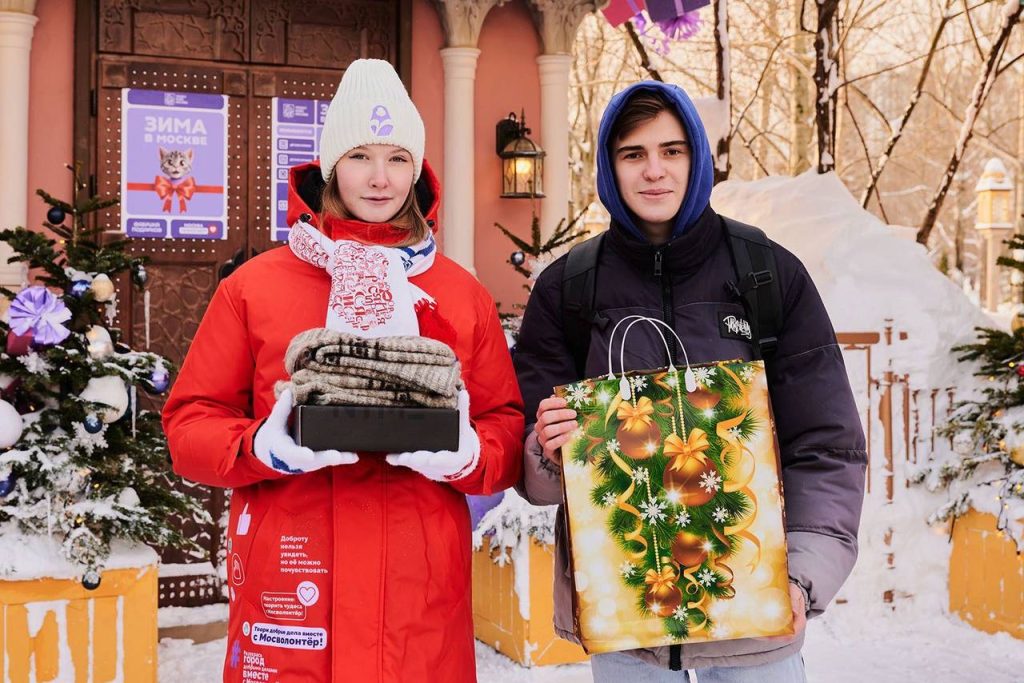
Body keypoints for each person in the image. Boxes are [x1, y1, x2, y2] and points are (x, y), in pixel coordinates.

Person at [163, 59, 524, 682]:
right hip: (291, 596)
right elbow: (189, 426)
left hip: (419, 602)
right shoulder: (254, 288)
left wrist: (466, 454)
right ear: (331, 165)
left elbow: (504, 429)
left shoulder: (460, 295)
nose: (380, 178)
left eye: (397, 158)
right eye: (360, 155)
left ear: (418, 168)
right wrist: (260, 446)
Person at [514, 81, 867, 681]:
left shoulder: (767, 274)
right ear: (610, 165)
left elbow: (827, 445)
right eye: (634, 154)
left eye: (672, 151)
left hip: (755, 617)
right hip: (628, 622)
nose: (654, 171)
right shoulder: (569, 289)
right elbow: (536, 473)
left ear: (698, 157)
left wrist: (803, 577)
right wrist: (546, 451)